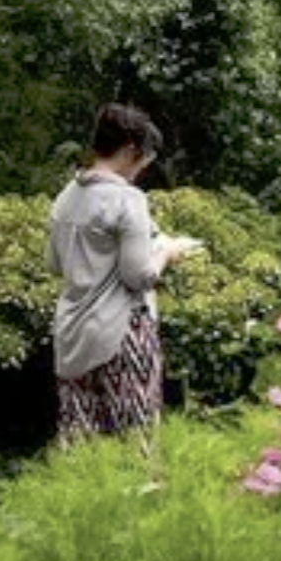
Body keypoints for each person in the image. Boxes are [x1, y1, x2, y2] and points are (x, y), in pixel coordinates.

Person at [49, 104, 199, 441]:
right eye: (146, 158)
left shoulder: (66, 197)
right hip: (122, 334)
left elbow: (55, 264)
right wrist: (166, 251)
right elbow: (139, 276)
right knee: (135, 445)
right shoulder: (127, 200)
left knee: (81, 450)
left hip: (72, 335)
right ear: (131, 150)